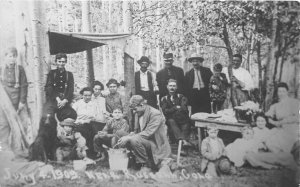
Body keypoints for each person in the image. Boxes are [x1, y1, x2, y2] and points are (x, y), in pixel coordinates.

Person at [118, 95, 171, 171]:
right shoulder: (138, 112)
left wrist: (129, 137)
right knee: (120, 133)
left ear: (142, 105)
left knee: (134, 139)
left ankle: (146, 164)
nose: (134, 111)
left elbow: (148, 132)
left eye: (135, 109)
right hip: (144, 139)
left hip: (155, 143)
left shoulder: (155, 113)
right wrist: (132, 134)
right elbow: (138, 130)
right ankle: (130, 159)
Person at [0, 47, 29, 153]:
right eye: (10, 56)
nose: (12, 59)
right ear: (5, 57)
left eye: (14, 56)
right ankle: (4, 147)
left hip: (17, 102)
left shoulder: (20, 69)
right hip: (4, 104)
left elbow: (24, 86)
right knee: (4, 125)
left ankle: (18, 148)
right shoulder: (1, 69)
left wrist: (22, 102)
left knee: (20, 124)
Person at [72, 87, 106, 157]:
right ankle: (86, 153)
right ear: (82, 95)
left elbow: (98, 116)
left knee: (95, 130)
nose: (87, 97)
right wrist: (82, 121)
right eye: (85, 95)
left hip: (92, 124)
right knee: (85, 130)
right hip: (79, 124)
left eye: (89, 95)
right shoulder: (77, 104)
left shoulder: (94, 104)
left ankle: (94, 152)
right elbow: (73, 117)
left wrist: (92, 120)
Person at [160, 79, 191, 153]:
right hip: (171, 119)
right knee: (171, 121)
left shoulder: (181, 96)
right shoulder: (164, 99)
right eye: (170, 86)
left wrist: (172, 110)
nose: (172, 88)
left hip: (182, 118)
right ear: (167, 87)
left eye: (174, 86)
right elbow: (165, 111)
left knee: (186, 124)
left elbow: (184, 109)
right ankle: (184, 142)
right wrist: (175, 107)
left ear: (176, 87)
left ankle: (182, 148)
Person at [44, 53, 76, 122]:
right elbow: (49, 87)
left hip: (64, 101)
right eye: (59, 61)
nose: (61, 63)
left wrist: (65, 100)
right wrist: (57, 99)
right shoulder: (52, 73)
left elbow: (71, 89)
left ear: (66, 62)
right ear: (56, 62)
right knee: (48, 116)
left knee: (71, 115)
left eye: (63, 62)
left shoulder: (69, 74)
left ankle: (65, 131)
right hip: (53, 100)